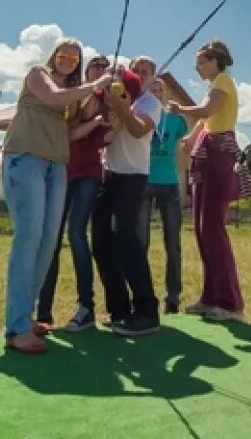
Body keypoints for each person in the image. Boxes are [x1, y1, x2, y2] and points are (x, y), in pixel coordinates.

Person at [1, 39, 112, 354]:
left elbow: (70, 134)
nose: (68, 60)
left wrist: (95, 120)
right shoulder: (38, 75)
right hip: (26, 160)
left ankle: (25, 315)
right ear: (53, 57)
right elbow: (52, 96)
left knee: (48, 240)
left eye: (74, 58)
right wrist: (96, 84)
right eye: (63, 55)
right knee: (29, 235)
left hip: (56, 166)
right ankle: (17, 327)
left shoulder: (73, 100)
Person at [165, 39, 244, 322]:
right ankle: (211, 297)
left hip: (220, 153)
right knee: (201, 228)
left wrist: (180, 110)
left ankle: (230, 302)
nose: (197, 67)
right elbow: (205, 121)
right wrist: (190, 138)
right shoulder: (214, 86)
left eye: (201, 61)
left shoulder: (223, 82)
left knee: (212, 228)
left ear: (215, 61)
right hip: (206, 151)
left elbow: (207, 111)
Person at [35, 56, 111, 334]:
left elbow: (108, 138)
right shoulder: (74, 97)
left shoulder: (107, 101)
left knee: (76, 233)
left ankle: (86, 307)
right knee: (51, 239)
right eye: (95, 66)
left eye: (105, 68)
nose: (100, 70)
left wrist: (108, 121)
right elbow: (66, 134)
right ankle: (43, 312)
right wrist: (93, 122)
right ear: (87, 70)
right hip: (63, 172)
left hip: (89, 174)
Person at [92, 67, 163, 336]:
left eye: (122, 86)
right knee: (100, 243)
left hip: (134, 178)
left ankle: (147, 311)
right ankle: (119, 310)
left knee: (128, 241)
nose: (116, 91)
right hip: (109, 175)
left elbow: (137, 130)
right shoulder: (105, 100)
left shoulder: (150, 103)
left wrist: (121, 109)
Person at [138, 58, 187, 315]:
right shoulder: (142, 113)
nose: (156, 93)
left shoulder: (175, 120)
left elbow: (187, 140)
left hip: (169, 185)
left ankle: (173, 297)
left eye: (160, 90)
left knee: (173, 243)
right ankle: (144, 297)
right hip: (145, 183)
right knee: (141, 242)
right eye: (152, 89)